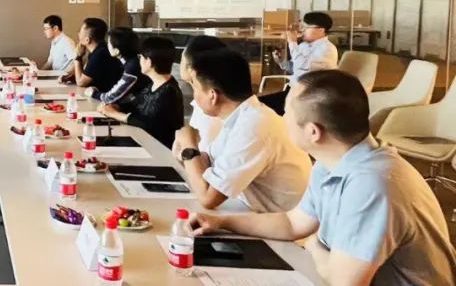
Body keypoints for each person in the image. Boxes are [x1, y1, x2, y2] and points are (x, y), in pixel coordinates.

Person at [192, 70, 456, 285]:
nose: (282, 117)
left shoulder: (372, 184)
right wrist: (221, 221)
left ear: (313, 132)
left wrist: (314, 244)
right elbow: (292, 224)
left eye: (287, 113)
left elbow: (343, 281)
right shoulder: (332, 161)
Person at [174, 48, 311, 212]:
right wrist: (187, 153)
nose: (194, 95)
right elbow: (210, 162)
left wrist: (189, 147)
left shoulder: (254, 125)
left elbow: (208, 198)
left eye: (195, 88)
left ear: (212, 95)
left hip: (277, 222)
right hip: (249, 210)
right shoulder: (241, 116)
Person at [97, 37, 183, 148]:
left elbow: (149, 124)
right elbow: (136, 104)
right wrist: (114, 106)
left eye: (141, 57)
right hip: (143, 141)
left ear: (149, 62)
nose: (139, 61)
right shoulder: (153, 84)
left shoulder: (169, 91)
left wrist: (114, 114)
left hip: (157, 149)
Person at [260, 11, 338, 115]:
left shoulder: (327, 49)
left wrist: (292, 43)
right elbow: (295, 68)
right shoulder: (303, 45)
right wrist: (281, 61)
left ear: (321, 30)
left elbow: (304, 66)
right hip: (293, 91)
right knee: (257, 105)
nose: (302, 30)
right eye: (302, 26)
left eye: (306, 27)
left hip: (308, 97)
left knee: (261, 111)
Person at [173, 35, 228, 155]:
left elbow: (204, 155)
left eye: (182, 59)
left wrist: (187, 149)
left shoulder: (212, 107)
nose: (178, 64)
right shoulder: (202, 99)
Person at [89, 27, 150, 105]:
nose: (107, 45)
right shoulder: (131, 61)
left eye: (109, 43)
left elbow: (111, 98)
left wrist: (93, 93)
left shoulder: (132, 66)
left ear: (116, 51)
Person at [62, 18, 122, 92]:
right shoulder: (99, 50)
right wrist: (73, 77)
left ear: (87, 40)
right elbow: (87, 75)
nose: (78, 34)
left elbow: (81, 82)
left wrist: (78, 57)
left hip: (105, 96)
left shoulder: (99, 54)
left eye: (80, 32)